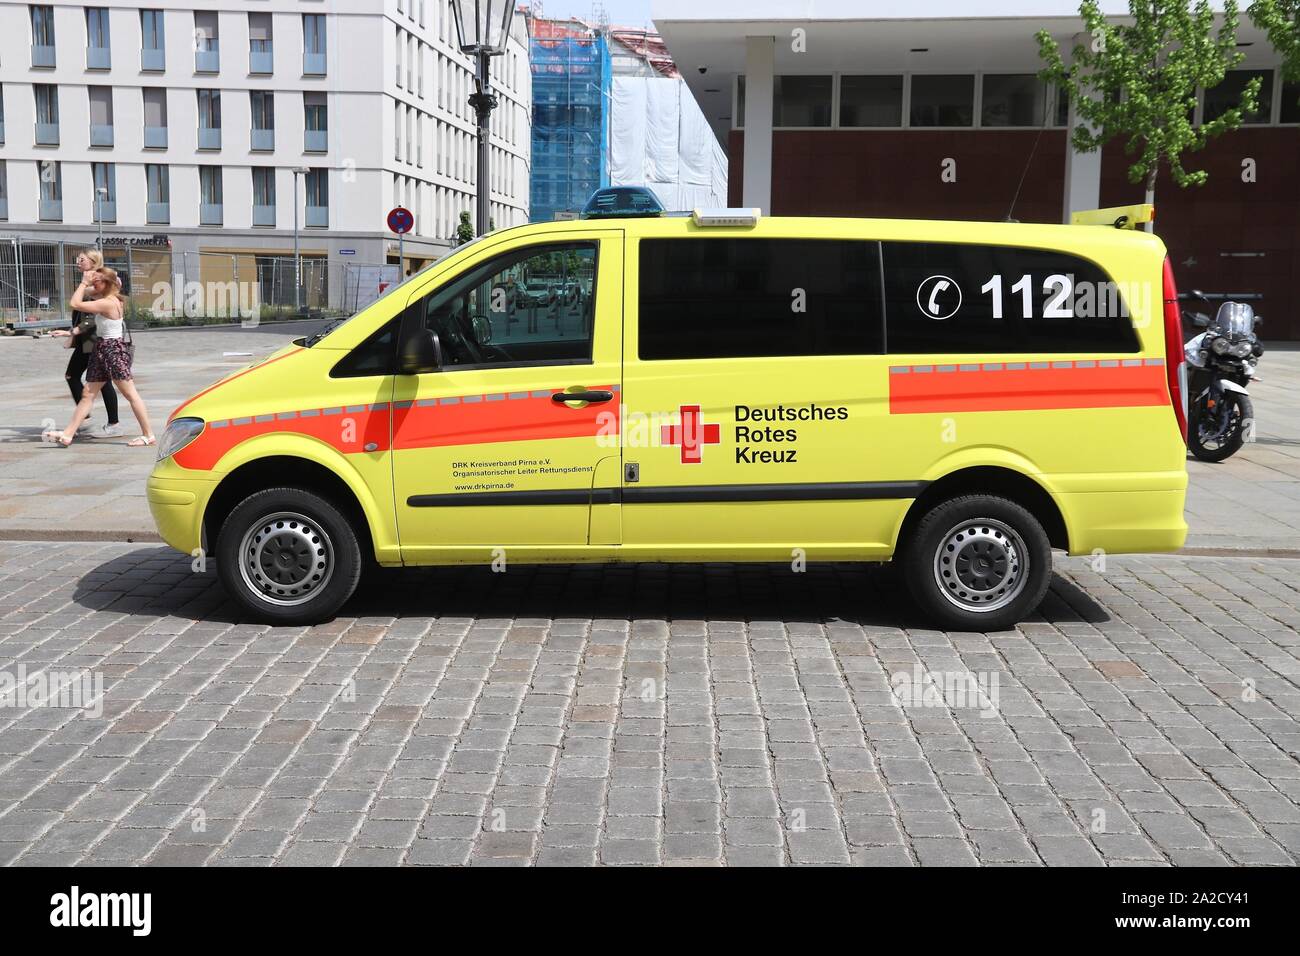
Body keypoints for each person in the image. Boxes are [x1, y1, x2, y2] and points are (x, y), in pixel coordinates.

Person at [42, 268, 156, 448]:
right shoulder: (110, 298)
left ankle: (148, 435)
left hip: (112, 351)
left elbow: (75, 303)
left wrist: (84, 282)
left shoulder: (108, 303)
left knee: (130, 393)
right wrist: (92, 279)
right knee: (88, 394)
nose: (94, 286)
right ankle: (68, 434)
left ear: (107, 284)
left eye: (98, 283)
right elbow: (85, 300)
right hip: (101, 349)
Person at [48, 250, 123, 437]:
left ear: (93, 261)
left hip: (94, 340)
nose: (77, 262)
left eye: (81, 259)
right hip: (88, 340)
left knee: (79, 377)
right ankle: (102, 421)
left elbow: (89, 317)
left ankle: (97, 421)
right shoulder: (91, 282)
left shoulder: (97, 283)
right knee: (100, 382)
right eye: (77, 259)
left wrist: (70, 332)